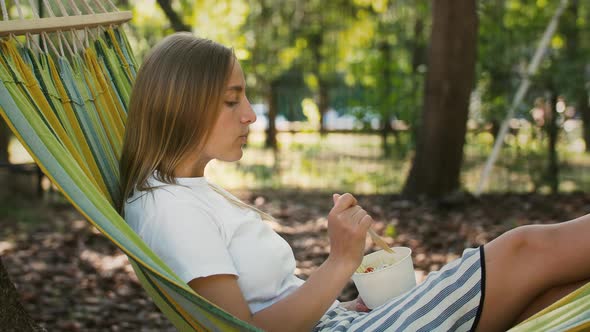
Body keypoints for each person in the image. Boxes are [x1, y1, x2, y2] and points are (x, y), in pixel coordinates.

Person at [118, 32, 590, 332]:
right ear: (181, 105)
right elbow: (241, 330)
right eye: (230, 100)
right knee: (522, 249)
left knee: (550, 302)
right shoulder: (170, 209)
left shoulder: (185, 194)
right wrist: (342, 262)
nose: (250, 115)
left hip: (343, 323)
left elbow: (274, 301)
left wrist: (344, 304)